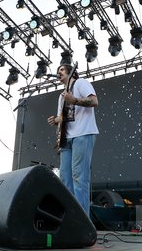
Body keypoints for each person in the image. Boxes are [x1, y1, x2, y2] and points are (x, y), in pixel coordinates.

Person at [47, 64, 98, 216]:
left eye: (61, 70)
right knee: (65, 180)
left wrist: (74, 100)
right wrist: (56, 120)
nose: (58, 73)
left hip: (83, 134)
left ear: (71, 73)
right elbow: (63, 117)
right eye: (57, 71)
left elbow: (94, 101)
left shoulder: (81, 83)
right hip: (66, 139)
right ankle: (70, 219)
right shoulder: (61, 96)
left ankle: (83, 223)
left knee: (79, 177)